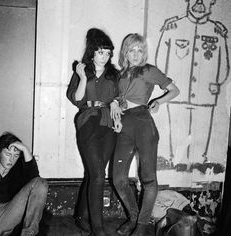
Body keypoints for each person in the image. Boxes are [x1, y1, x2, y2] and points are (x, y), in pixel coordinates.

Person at [111, 33, 180, 236]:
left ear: (144, 53)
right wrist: (115, 103)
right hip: (124, 126)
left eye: (140, 50)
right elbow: (121, 100)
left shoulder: (149, 70)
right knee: (118, 179)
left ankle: (141, 226)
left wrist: (159, 101)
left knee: (148, 179)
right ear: (126, 52)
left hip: (143, 124)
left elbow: (174, 90)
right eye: (131, 49)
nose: (135, 54)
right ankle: (134, 218)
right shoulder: (120, 75)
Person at [155, 0, 229, 164]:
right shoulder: (173, 27)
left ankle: (199, 162)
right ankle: (176, 162)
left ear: (212, 3)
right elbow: (160, 57)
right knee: (176, 130)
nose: (199, 3)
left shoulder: (216, 31)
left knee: (202, 130)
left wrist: (217, 83)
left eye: (205, 0)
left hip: (205, 94)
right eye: (195, 0)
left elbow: (224, 62)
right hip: (177, 93)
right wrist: (166, 82)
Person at [66, 28, 120, 236]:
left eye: (107, 53)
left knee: (94, 173)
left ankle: (81, 216)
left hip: (108, 124)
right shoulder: (82, 71)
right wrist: (81, 77)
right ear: (92, 52)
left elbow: (121, 96)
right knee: (98, 175)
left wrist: (116, 102)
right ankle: (98, 229)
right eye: (100, 52)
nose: (104, 57)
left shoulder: (114, 74)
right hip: (88, 121)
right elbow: (76, 99)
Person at [0, 132, 48, 236]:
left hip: (7, 216)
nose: (11, 159)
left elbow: (37, 183)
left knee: (41, 183)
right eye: (8, 154)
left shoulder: (19, 168)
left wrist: (25, 149)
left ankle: (28, 233)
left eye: (16, 155)